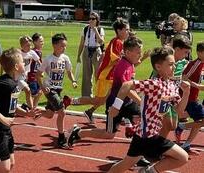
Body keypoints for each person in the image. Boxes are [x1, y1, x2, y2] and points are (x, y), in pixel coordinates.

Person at [68, 37, 150, 166]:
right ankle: (78, 132)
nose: (140, 55)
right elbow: (126, 89)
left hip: (127, 103)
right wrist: (141, 102)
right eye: (138, 52)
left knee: (142, 121)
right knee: (109, 134)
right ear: (128, 52)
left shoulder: (130, 63)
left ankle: (137, 155)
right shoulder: (123, 66)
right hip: (115, 104)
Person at [107, 46, 190, 173]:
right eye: (170, 64)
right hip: (147, 135)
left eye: (174, 64)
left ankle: (148, 171)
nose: (174, 67)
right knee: (182, 157)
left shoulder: (171, 85)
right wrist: (115, 106)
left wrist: (186, 93)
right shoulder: (154, 84)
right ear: (158, 67)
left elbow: (179, 112)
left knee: (124, 165)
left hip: (147, 135)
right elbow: (127, 84)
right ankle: (148, 172)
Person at [0, 48, 40, 172]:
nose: (25, 63)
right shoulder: (4, 84)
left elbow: (11, 105)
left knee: (10, 164)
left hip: (6, 130)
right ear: (16, 66)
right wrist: (3, 119)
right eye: (22, 61)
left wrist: (26, 113)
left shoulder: (14, 83)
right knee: (4, 168)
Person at [63, 18, 130, 123]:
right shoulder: (117, 42)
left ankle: (91, 111)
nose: (128, 32)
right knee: (99, 100)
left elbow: (106, 54)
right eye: (127, 30)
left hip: (112, 76)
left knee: (108, 98)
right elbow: (116, 59)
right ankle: (71, 101)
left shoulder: (119, 42)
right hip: (107, 76)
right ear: (119, 30)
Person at [36, 33, 77, 148]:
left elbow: (69, 72)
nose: (64, 48)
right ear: (54, 45)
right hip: (50, 89)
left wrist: (73, 81)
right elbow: (38, 75)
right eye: (62, 46)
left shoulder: (65, 58)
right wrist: (43, 87)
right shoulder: (48, 59)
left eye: (65, 46)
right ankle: (61, 138)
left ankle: (36, 112)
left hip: (58, 89)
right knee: (62, 112)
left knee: (49, 114)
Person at [157, 35, 191, 139]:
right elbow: (161, 77)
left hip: (172, 96)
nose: (186, 55)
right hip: (162, 96)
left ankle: (157, 145)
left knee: (172, 126)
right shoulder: (165, 61)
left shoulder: (181, 63)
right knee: (164, 124)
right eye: (185, 52)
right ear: (176, 49)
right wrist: (179, 80)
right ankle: (154, 147)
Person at [175, 41, 204, 155]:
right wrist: (195, 85)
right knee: (201, 120)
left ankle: (186, 145)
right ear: (199, 53)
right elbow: (183, 77)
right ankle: (181, 126)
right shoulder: (195, 64)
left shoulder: (202, 64)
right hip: (189, 97)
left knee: (198, 121)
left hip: (194, 97)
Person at [77, 12, 104, 97]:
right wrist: (78, 55)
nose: (91, 20)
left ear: (97, 20)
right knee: (86, 74)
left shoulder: (100, 29)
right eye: (90, 19)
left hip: (96, 51)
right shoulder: (85, 29)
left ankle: (100, 94)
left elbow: (101, 41)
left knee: (98, 73)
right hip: (86, 50)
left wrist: (95, 30)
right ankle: (86, 95)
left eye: (93, 19)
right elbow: (81, 43)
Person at [18, 35, 41, 108]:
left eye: (30, 45)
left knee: (26, 91)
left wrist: (42, 70)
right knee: (27, 90)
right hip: (16, 77)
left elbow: (38, 62)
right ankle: (30, 109)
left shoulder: (32, 52)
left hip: (24, 77)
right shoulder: (18, 53)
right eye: (27, 45)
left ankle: (28, 108)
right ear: (22, 45)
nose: (30, 47)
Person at [29, 33, 44, 108]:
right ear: (35, 42)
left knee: (40, 92)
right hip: (32, 76)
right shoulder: (33, 52)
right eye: (40, 41)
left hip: (37, 76)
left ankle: (33, 107)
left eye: (43, 41)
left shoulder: (39, 51)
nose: (42, 43)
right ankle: (30, 107)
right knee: (34, 94)